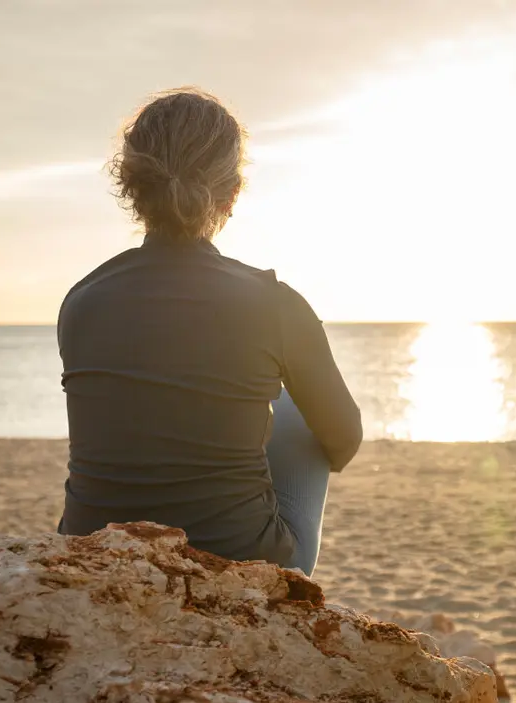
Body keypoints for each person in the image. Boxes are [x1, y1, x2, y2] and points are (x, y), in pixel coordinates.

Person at [56, 88, 362, 576]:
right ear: (232, 193)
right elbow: (344, 439)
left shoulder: (82, 298)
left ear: (131, 185)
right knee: (292, 412)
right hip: (236, 563)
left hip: (93, 556)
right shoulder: (275, 304)